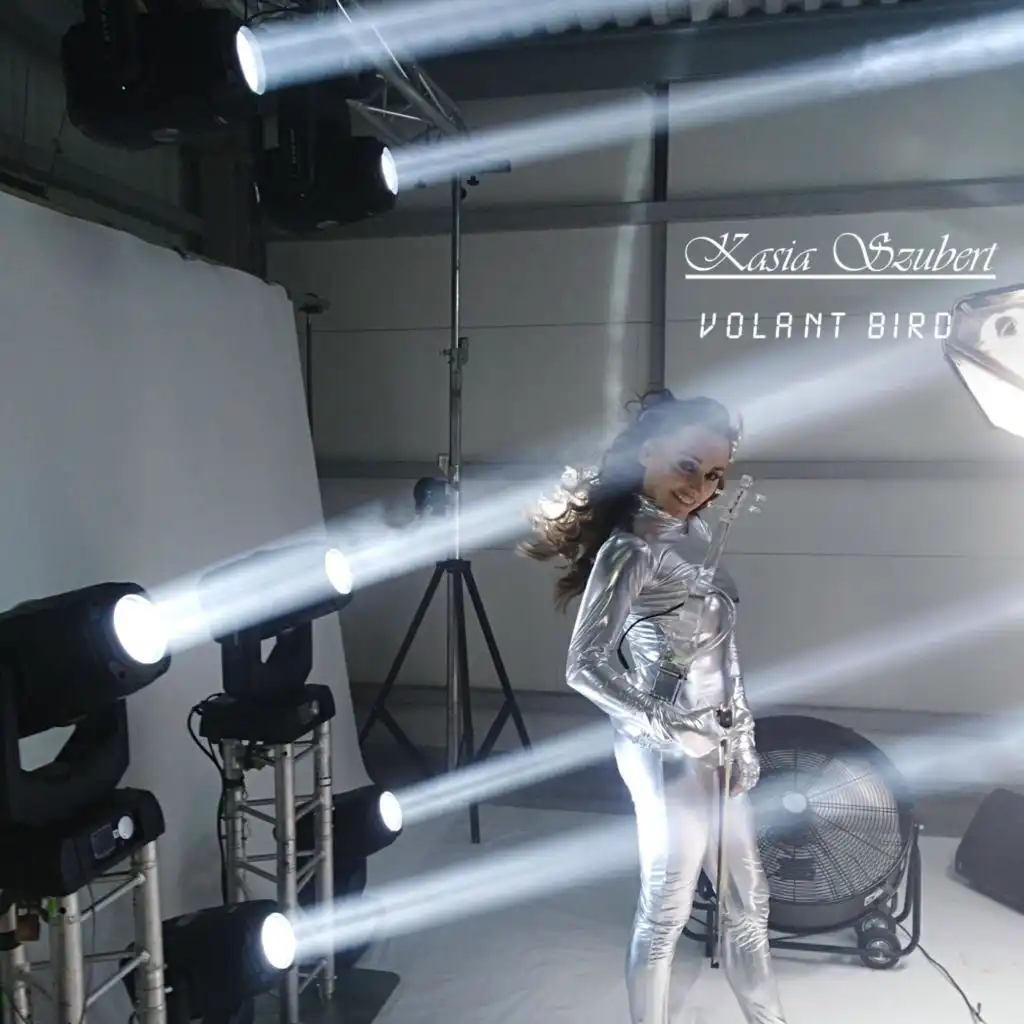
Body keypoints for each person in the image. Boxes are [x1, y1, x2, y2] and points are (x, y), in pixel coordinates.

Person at [521, 389, 787, 1024]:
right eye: (688, 466)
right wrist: (667, 723)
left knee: (750, 903)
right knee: (666, 910)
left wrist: (744, 734)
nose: (699, 488)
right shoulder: (631, 549)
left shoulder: (694, 535)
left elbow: (722, 652)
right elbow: (583, 665)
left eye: (714, 476)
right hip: (666, 752)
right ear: (646, 452)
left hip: (718, 742)